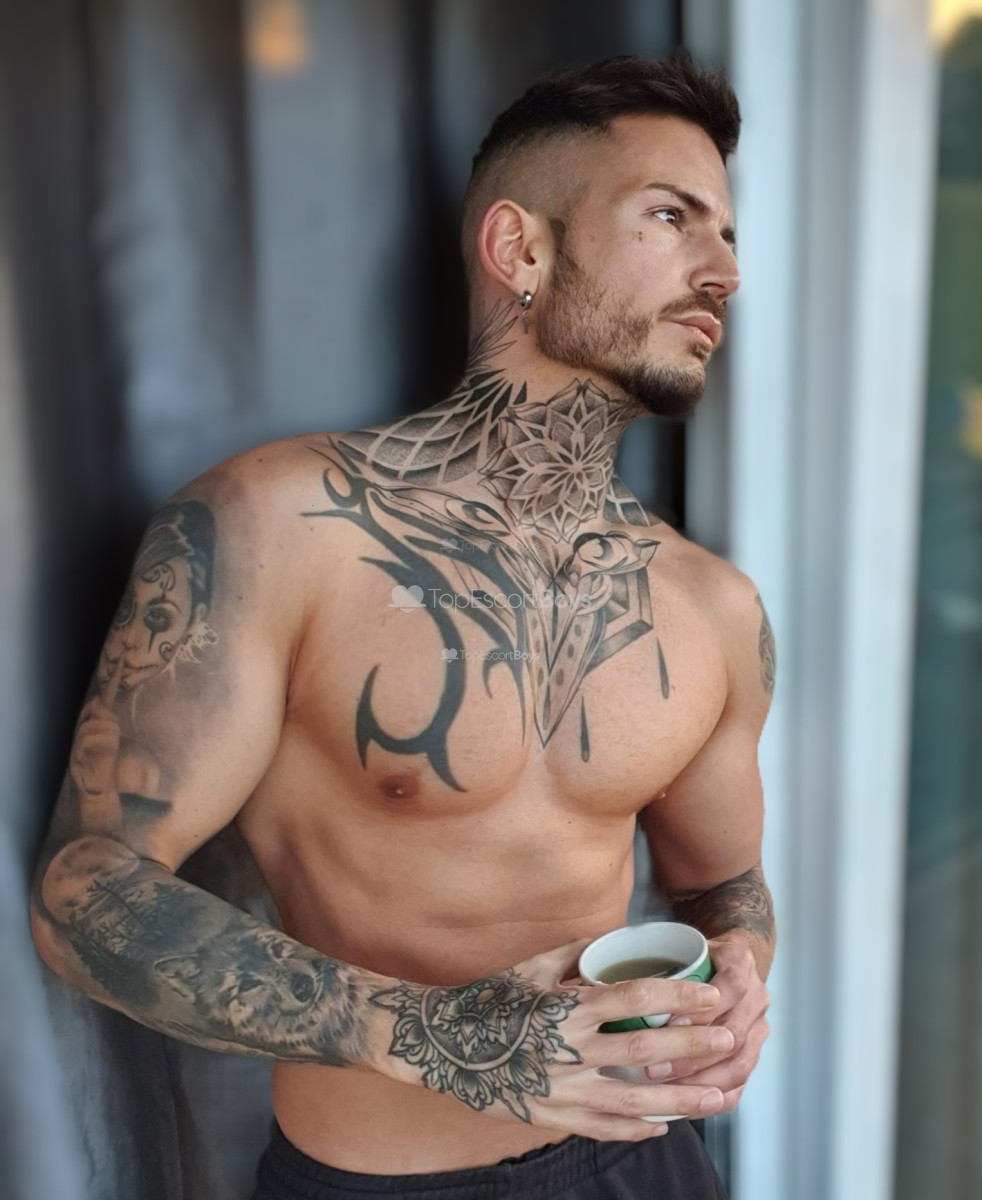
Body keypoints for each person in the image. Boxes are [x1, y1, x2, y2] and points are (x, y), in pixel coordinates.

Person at [30, 52, 775, 1200]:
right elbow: (88, 890)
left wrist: (739, 973)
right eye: (671, 218)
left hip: (645, 1163)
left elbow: (722, 885)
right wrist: (442, 1037)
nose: (722, 271)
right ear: (520, 249)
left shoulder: (713, 607)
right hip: (377, 1179)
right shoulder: (278, 527)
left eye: (725, 235)